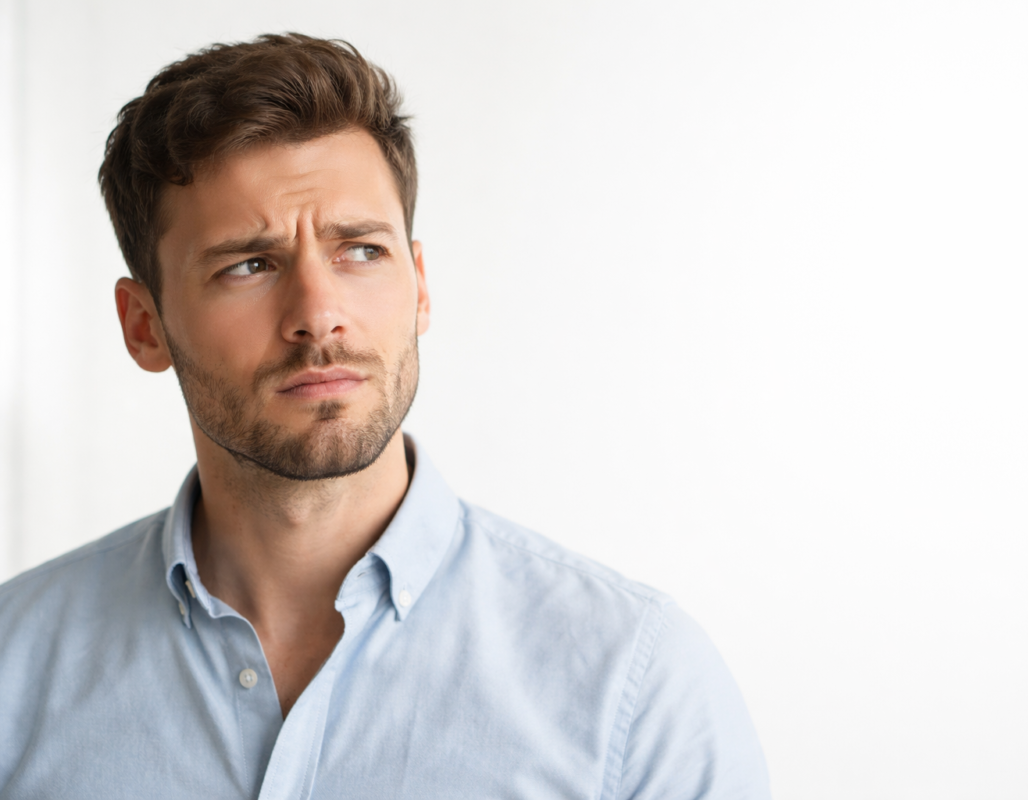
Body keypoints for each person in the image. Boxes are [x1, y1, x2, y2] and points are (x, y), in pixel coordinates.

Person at [0, 33, 769, 799]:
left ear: (421, 285)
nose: (318, 315)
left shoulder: (633, 689)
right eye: (248, 265)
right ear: (144, 326)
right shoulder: (15, 668)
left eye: (361, 251)